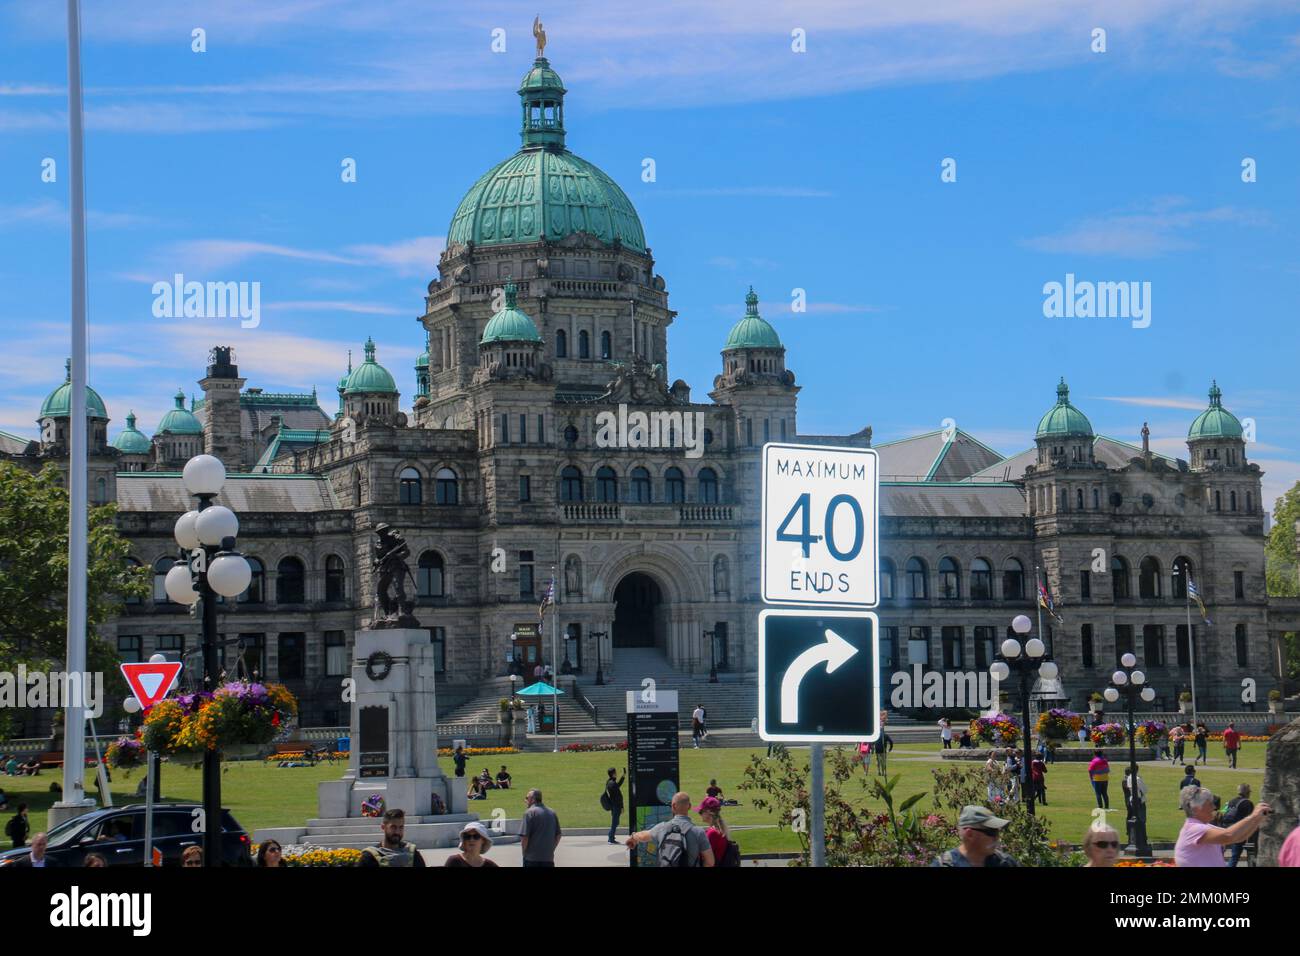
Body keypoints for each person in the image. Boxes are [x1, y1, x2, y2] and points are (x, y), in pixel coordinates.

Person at [1175, 786, 1271, 867]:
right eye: (1210, 804)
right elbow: (1229, 836)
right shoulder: (1193, 829)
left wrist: (1257, 820)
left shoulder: (1201, 827)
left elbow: (1239, 837)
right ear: (1197, 808)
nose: (1214, 807)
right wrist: (1253, 816)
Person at [625, 792, 714, 867]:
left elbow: (643, 836)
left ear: (673, 806)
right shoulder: (699, 832)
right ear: (689, 806)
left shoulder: (662, 828)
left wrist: (633, 837)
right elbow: (710, 862)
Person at [930, 806, 1018, 867]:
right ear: (970, 834)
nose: (996, 837)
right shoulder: (945, 864)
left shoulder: (1006, 863)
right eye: (991, 832)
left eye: (997, 831)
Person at [358, 808, 425, 867]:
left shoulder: (413, 854)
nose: (397, 832)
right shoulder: (370, 857)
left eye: (401, 827)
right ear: (383, 827)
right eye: (393, 827)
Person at [521, 788, 561, 867]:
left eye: (527, 798)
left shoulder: (529, 813)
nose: (525, 800)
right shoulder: (552, 812)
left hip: (531, 859)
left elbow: (525, 837)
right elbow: (558, 835)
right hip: (548, 859)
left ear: (532, 799)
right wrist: (551, 850)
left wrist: (524, 854)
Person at [695, 796, 739, 866]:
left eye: (700, 812)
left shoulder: (712, 833)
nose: (700, 814)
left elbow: (708, 862)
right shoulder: (718, 830)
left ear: (708, 811)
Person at [1221, 783, 1255, 867]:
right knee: (1235, 856)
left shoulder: (1231, 801)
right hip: (1237, 832)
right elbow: (1251, 820)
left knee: (1221, 854)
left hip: (1225, 829)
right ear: (1247, 793)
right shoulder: (1247, 803)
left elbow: (1223, 813)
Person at [1122, 766, 1147, 846]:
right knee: (1141, 819)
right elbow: (1145, 789)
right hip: (1138, 800)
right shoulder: (1137, 779)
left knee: (1132, 818)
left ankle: (1132, 836)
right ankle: (1142, 838)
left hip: (1131, 800)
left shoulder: (1128, 779)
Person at [602, 767, 625, 845]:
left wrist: (623, 776)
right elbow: (618, 797)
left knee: (616, 822)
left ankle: (611, 837)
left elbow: (617, 785)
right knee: (615, 822)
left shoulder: (610, 782)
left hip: (614, 806)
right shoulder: (612, 783)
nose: (617, 773)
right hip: (616, 806)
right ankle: (610, 838)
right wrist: (622, 807)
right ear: (613, 773)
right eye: (616, 772)